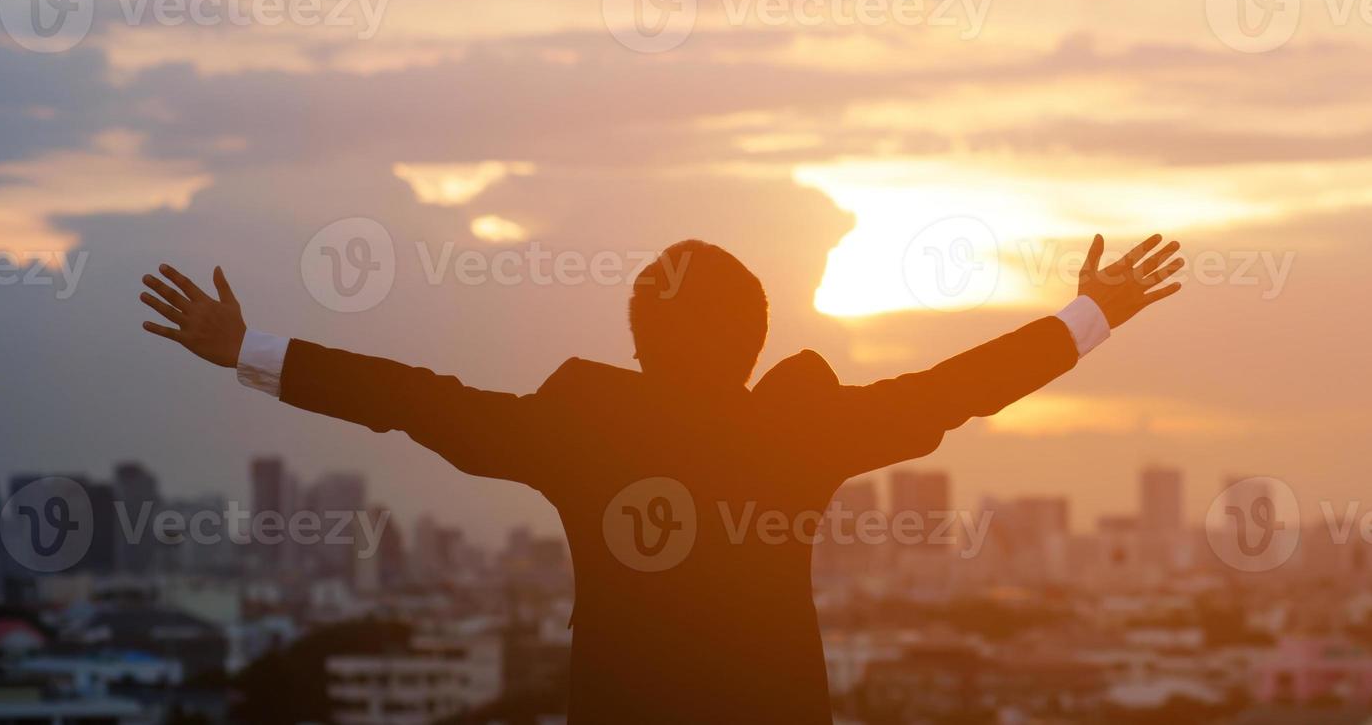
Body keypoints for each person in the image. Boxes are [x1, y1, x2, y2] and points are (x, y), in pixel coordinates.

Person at [137, 234, 1184, 723]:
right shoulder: (802, 428)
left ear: (637, 334)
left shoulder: (584, 430)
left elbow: (419, 396)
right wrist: (1090, 312)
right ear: (758, 335)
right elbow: (958, 386)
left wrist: (248, 346)